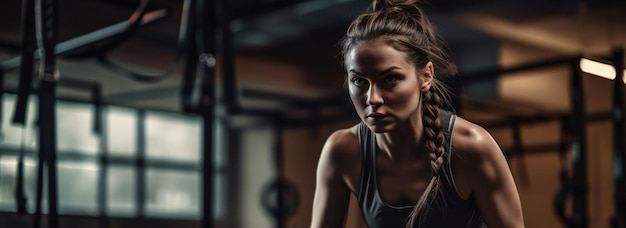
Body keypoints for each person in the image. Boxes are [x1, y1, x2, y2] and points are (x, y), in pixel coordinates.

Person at [311, 0, 524, 227]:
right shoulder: (342, 153)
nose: (373, 98)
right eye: (359, 81)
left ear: (426, 76)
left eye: (390, 79)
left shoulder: (472, 148)